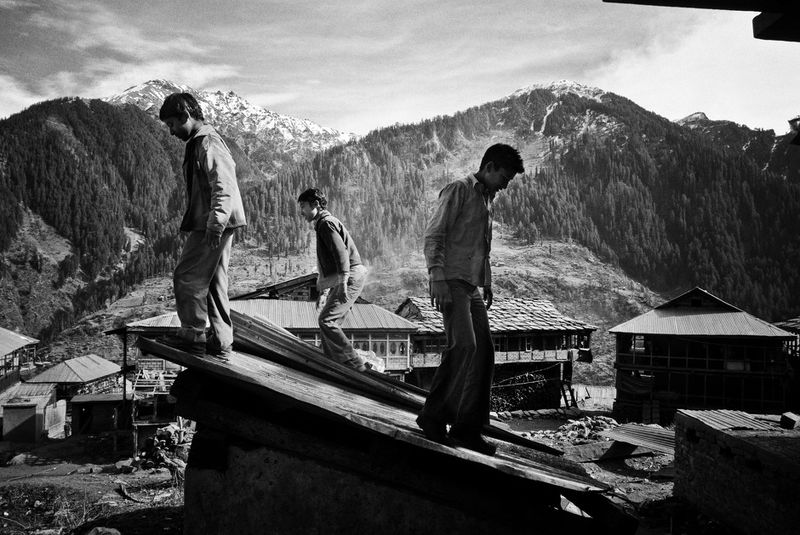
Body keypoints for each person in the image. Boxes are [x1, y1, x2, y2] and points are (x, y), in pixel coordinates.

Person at [416, 143, 524, 456]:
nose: (506, 184)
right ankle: (432, 417)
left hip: (471, 285)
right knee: (463, 345)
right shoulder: (459, 190)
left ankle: (467, 429)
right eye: (504, 176)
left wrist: (486, 282)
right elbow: (434, 234)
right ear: (489, 167)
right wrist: (436, 276)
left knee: (485, 351)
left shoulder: (487, 199)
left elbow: (482, 248)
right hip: (450, 280)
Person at [158, 93, 247, 358]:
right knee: (214, 282)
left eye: (172, 124)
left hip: (213, 222)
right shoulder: (202, 142)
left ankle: (193, 334)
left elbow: (224, 184)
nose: (172, 132)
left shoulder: (207, 142)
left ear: (185, 116)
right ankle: (220, 339)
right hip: (218, 221)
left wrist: (215, 223)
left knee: (187, 277)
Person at [298, 188, 370, 372]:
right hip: (350, 275)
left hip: (351, 275)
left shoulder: (326, 223)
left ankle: (354, 364)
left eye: (304, 206)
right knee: (332, 322)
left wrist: (344, 282)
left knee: (327, 320)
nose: (302, 211)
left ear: (315, 204)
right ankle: (335, 363)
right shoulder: (323, 223)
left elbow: (341, 253)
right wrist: (324, 291)